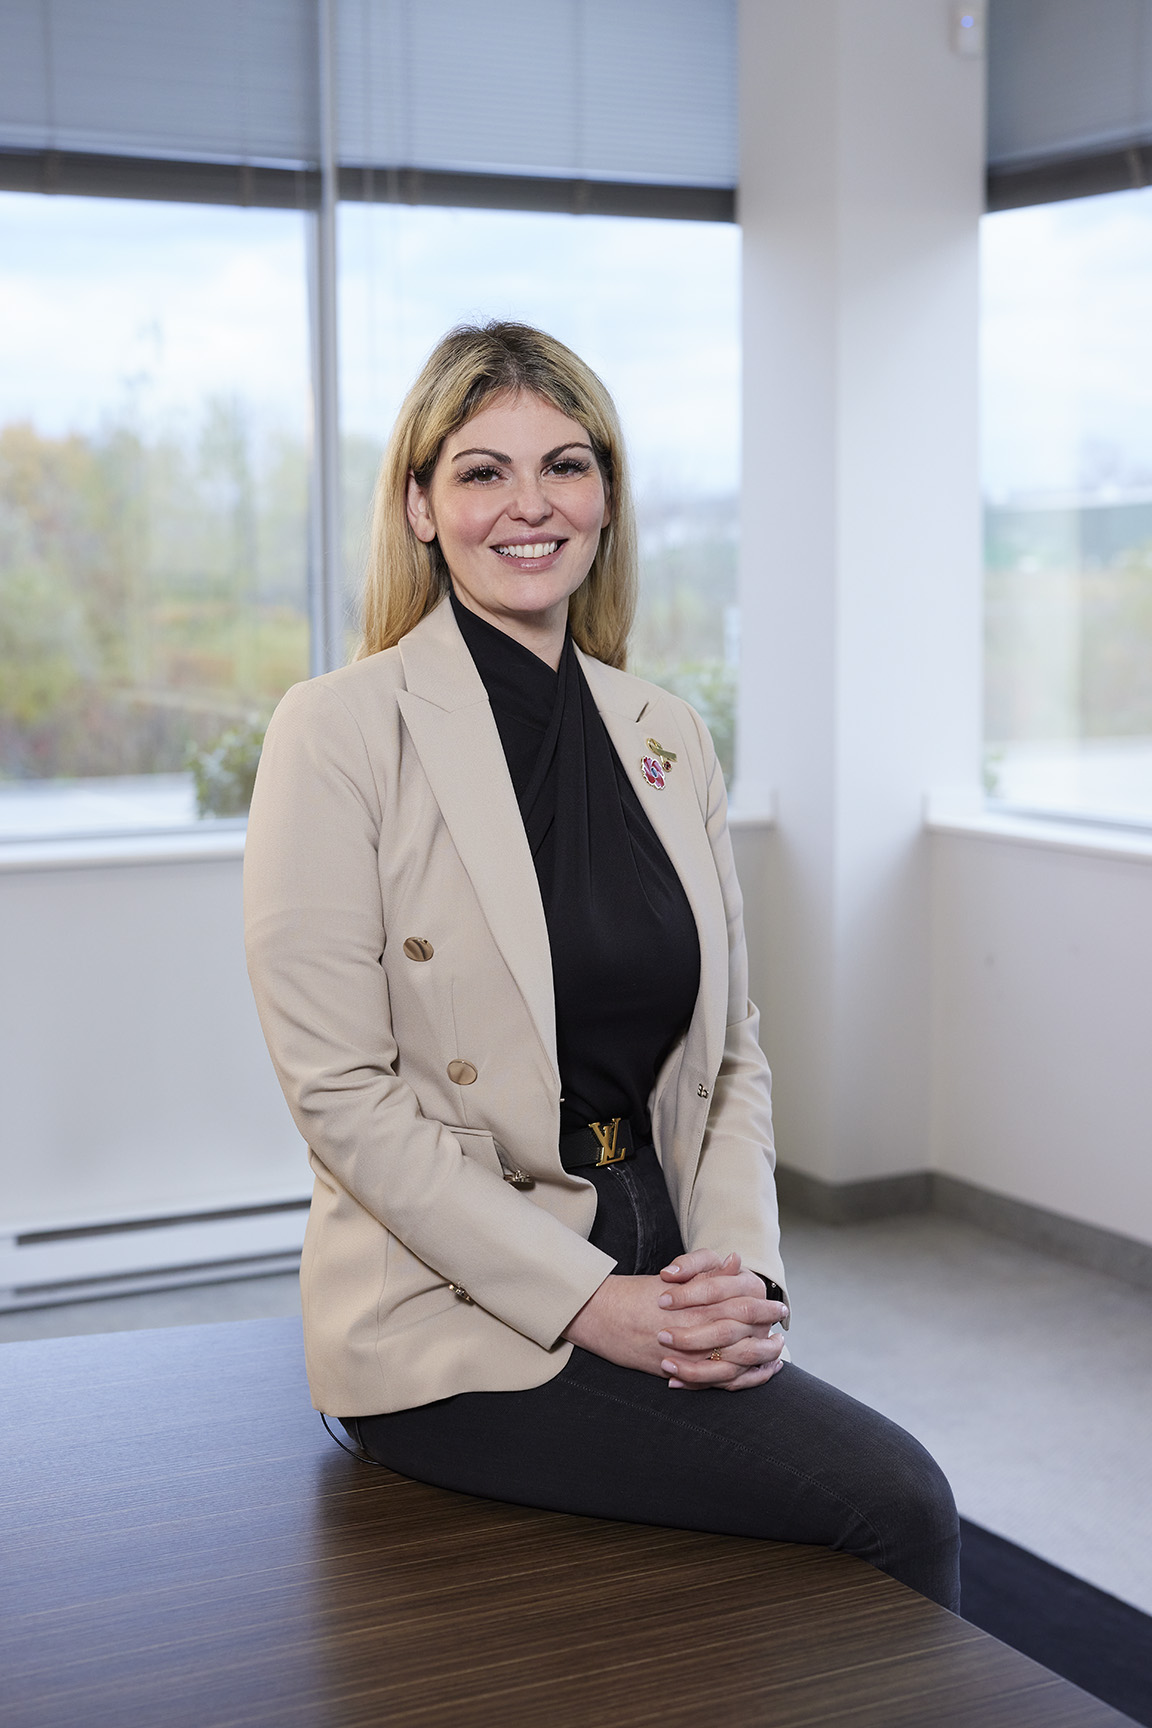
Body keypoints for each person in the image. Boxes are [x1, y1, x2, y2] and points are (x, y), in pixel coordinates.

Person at [243, 321, 960, 1610]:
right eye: (480, 472)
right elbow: (341, 1093)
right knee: (895, 1503)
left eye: (565, 466)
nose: (530, 506)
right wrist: (589, 1304)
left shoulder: (663, 731)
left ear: (607, 498)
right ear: (418, 505)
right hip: (458, 1314)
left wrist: (738, 1265)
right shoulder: (340, 730)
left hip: (668, 1259)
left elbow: (731, 1052)